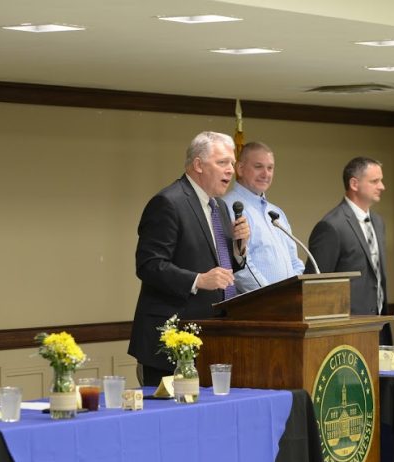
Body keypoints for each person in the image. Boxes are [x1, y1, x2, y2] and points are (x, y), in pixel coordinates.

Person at [129, 131, 250, 386]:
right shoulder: (168, 203)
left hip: (213, 337)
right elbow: (149, 265)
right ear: (198, 165)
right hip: (172, 342)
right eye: (222, 162)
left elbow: (222, 267)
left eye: (231, 163)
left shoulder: (220, 206)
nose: (231, 170)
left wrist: (239, 249)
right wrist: (197, 280)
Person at [306, 156, 392, 344]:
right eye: (375, 181)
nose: (382, 186)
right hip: (345, 330)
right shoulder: (331, 225)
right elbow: (315, 286)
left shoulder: (378, 222)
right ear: (354, 183)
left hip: (379, 325)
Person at [223, 142, 305, 293]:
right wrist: (272, 297)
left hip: (288, 304)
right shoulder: (227, 207)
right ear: (240, 169)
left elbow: (295, 262)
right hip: (259, 307)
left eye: (270, 168)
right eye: (258, 166)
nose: (265, 174)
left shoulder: (277, 212)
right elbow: (239, 266)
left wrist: (294, 292)